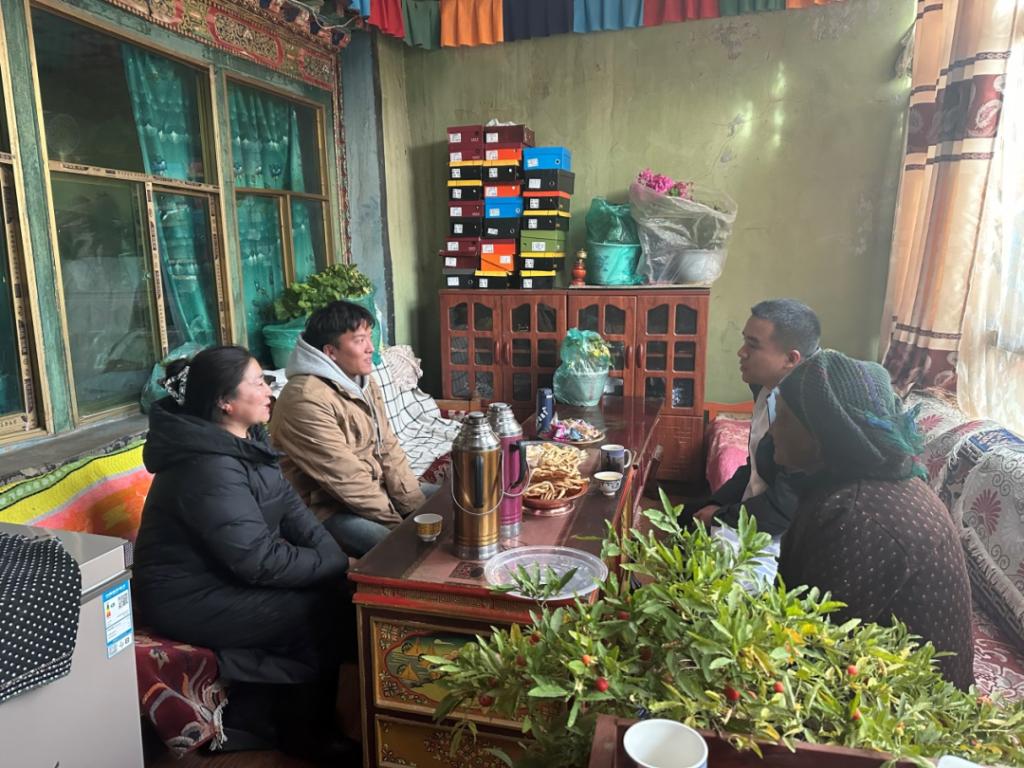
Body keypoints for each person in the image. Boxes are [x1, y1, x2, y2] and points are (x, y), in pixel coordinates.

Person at [133, 346, 354, 762]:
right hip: (185, 597)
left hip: (223, 576)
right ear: (225, 401)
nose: (269, 391)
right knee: (312, 614)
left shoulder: (247, 441)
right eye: (258, 383)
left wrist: (332, 559)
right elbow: (257, 560)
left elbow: (293, 511)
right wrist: (331, 565)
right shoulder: (205, 465)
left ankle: (287, 717)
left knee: (339, 595)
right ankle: (296, 732)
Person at [773, 350, 974, 690]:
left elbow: (811, 646)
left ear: (823, 433)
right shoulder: (852, 483)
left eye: (783, 418)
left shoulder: (859, 515)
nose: (772, 430)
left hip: (912, 709)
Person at [270, 300, 426, 557]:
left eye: (369, 337)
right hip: (324, 509)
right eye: (359, 340)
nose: (370, 348)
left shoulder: (362, 381)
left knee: (449, 505)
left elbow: (387, 446)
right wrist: (401, 527)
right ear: (331, 351)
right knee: (402, 551)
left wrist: (415, 509)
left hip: (372, 491)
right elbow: (346, 479)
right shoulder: (305, 398)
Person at [688, 299, 820, 584]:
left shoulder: (806, 420)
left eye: (753, 345)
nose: (741, 352)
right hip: (753, 511)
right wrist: (714, 503)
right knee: (682, 517)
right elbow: (754, 468)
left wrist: (721, 515)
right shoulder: (766, 390)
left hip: (775, 537)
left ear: (791, 359)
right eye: (744, 341)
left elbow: (784, 508)